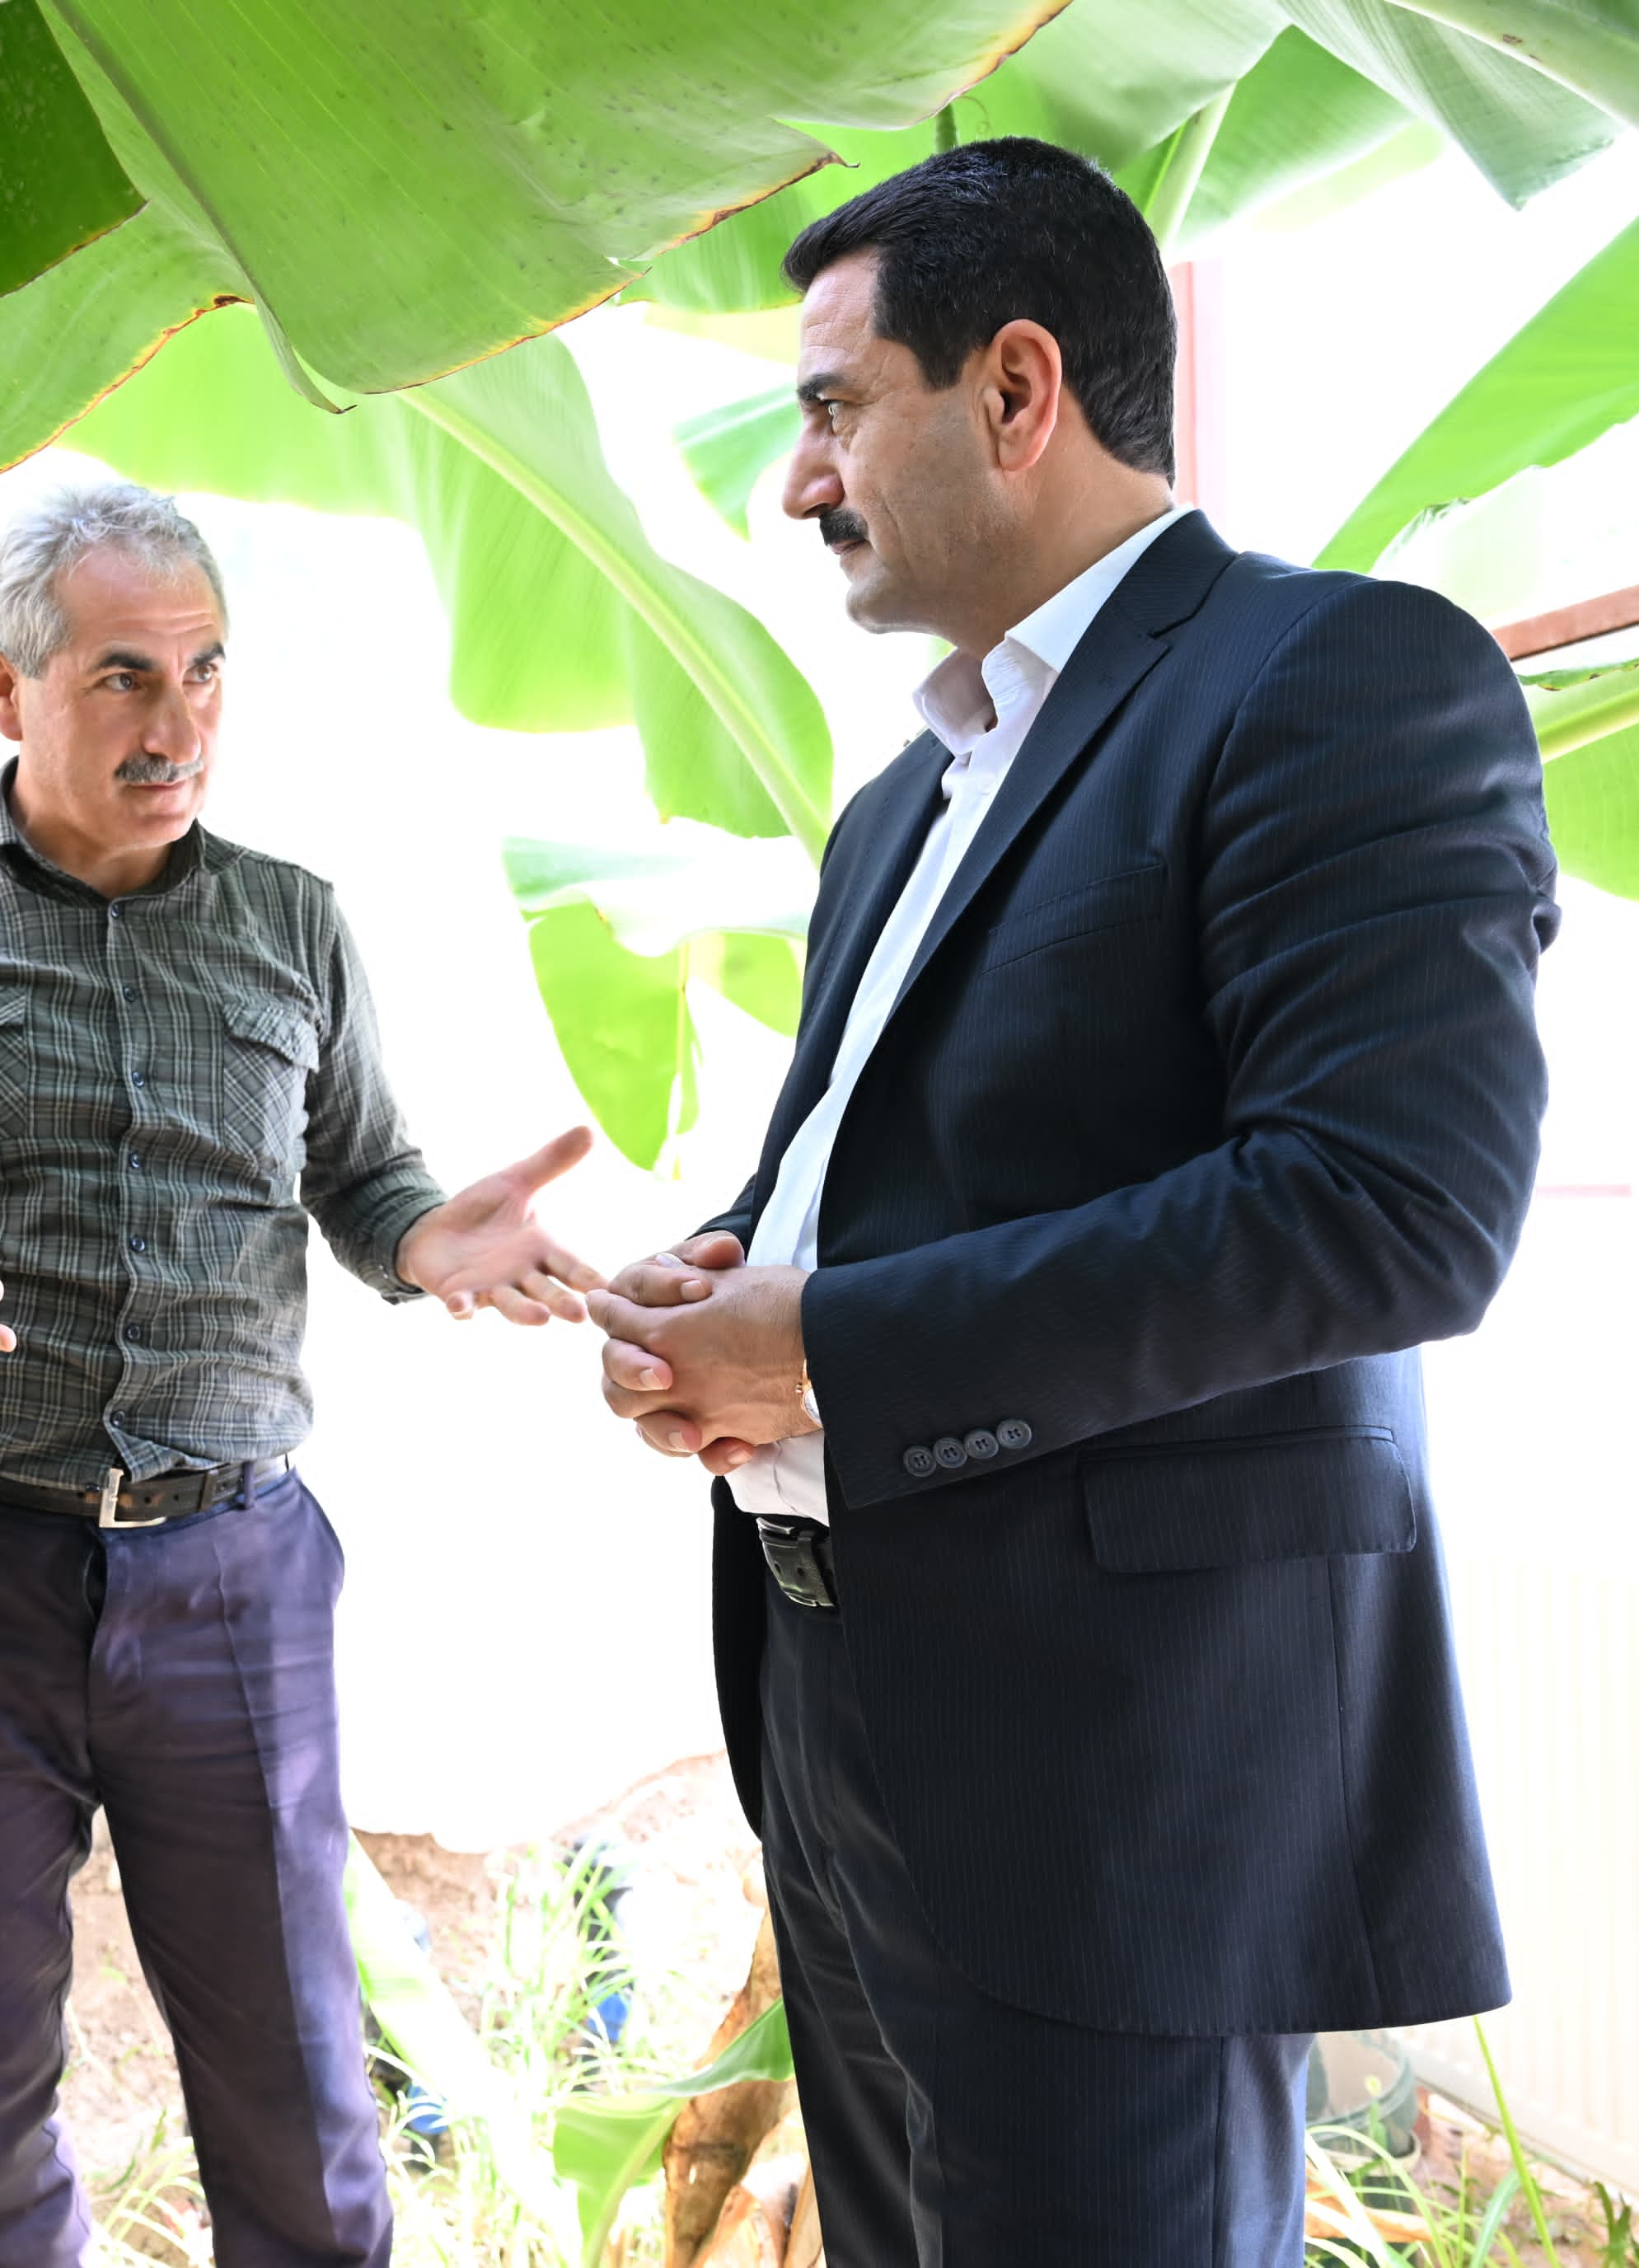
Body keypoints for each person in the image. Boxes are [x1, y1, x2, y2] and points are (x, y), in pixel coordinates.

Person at [587, 141, 1556, 2266]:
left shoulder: (1335, 681)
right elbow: (871, 1178)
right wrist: (723, 1284)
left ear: (1016, 389)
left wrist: (826, 1349)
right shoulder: (900, 802)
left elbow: (1395, 1206)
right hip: (849, 1732)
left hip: (1121, 1782)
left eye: (835, 406)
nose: (803, 480)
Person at [0, 482, 601, 2268]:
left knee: (299, 2085)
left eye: (207, 672)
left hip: (230, 1571)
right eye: (128, 677)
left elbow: (363, 1176)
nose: (179, 722)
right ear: (9, 689)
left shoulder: (291, 925)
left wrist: (432, 1238)